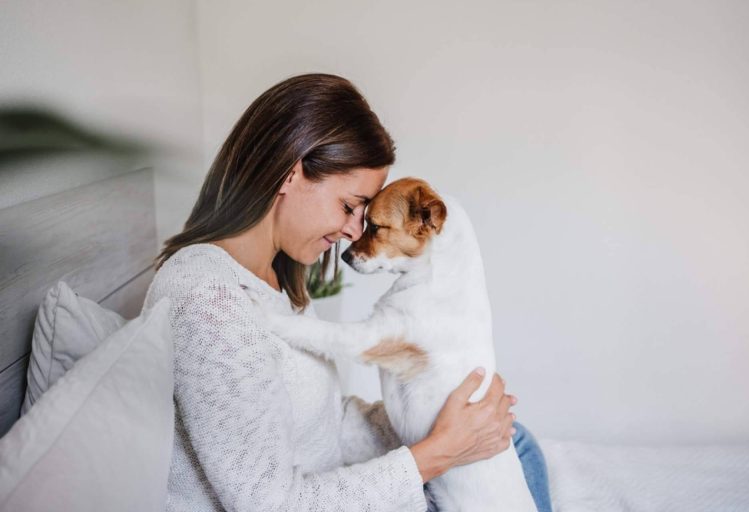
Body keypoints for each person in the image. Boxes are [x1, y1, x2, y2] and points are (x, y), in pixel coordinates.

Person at [142, 73, 552, 512]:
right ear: (289, 175)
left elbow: (322, 426)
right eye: (348, 206)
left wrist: (450, 423)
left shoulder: (272, 277)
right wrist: (436, 454)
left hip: (350, 479)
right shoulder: (210, 302)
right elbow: (271, 505)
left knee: (515, 441)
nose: (355, 230)